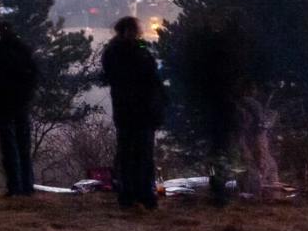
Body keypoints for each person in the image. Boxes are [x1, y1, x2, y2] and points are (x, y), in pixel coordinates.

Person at [177, 14, 249, 206]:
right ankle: (220, 189)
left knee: (218, 150)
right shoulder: (225, 63)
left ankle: (218, 187)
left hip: (213, 109)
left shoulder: (204, 59)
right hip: (222, 110)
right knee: (222, 150)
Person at [101, 16, 164, 210]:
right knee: (135, 154)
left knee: (137, 154)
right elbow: (150, 75)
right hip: (134, 110)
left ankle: (138, 194)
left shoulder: (117, 51)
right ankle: (136, 194)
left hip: (134, 110)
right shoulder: (120, 52)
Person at [0, 20, 37, 196]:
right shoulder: (23, 50)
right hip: (19, 103)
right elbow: (33, 75)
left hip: (5, 104)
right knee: (23, 146)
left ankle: (15, 186)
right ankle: (26, 185)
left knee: (10, 147)